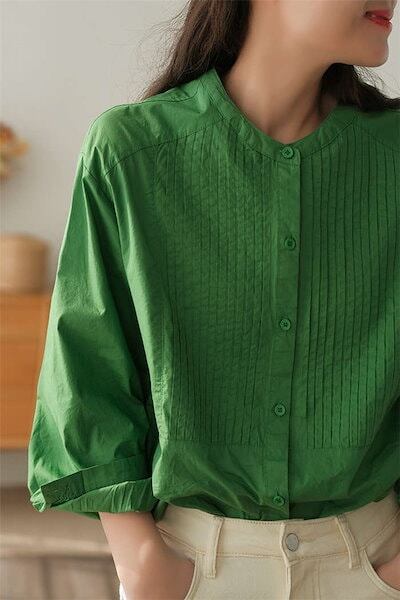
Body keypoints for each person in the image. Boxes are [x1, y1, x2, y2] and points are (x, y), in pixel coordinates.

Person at [27, 0, 400, 598]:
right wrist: (142, 562)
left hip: (379, 563)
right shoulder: (130, 152)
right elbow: (86, 372)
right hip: (191, 571)